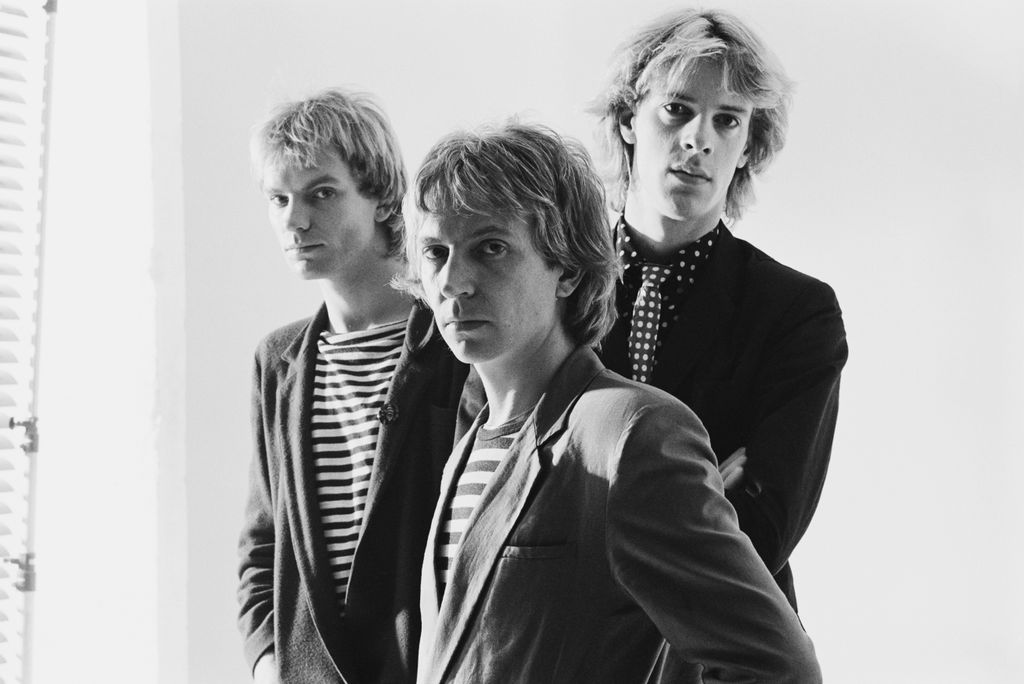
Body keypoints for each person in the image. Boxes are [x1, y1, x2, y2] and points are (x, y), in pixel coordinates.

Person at [405, 121, 821, 683]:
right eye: (435, 252)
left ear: (569, 271)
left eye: (491, 248)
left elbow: (778, 666)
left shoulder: (631, 431)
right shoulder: (470, 444)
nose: (453, 280)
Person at [593, 8, 849, 616]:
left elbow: (760, 531)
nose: (698, 139)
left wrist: (586, 514)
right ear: (630, 119)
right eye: (677, 109)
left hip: (722, 650)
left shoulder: (796, 313)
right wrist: (702, 490)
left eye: (726, 120)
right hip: (559, 646)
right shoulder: (550, 284)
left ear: (746, 147)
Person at [237, 88, 467, 684]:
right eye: (279, 199)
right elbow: (264, 541)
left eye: (322, 193)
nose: (295, 218)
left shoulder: (453, 344)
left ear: (384, 199)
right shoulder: (278, 361)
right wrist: (269, 662)